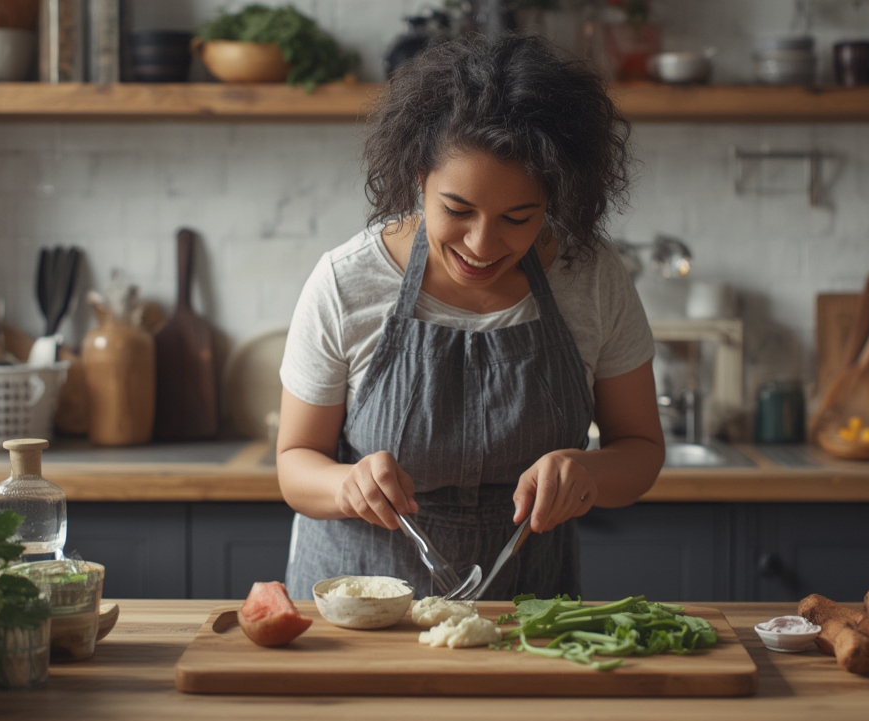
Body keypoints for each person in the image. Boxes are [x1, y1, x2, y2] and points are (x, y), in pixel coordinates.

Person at [277, 34, 664, 601]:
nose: (482, 244)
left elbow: (641, 450)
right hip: (360, 617)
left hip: (530, 615)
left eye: (518, 217)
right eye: (457, 210)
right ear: (418, 178)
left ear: (553, 198)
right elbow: (294, 463)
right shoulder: (345, 283)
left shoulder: (592, 276)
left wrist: (588, 473)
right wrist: (346, 483)